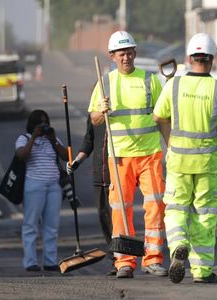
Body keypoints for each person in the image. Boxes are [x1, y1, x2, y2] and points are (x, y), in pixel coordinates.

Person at [153, 33, 217, 284]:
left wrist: (170, 141)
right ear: (212, 59)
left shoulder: (174, 85)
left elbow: (159, 117)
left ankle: (179, 244)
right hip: (206, 162)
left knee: (176, 209)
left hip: (178, 159)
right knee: (205, 215)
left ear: (189, 58)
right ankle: (201, 272)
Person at [88, 31, 167, 279]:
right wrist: (102, 110)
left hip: (149, 154)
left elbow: (163, 116)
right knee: (121, 210)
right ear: (112, 56)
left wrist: (171, 147)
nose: (126, 57)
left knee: (155, 206)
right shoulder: (105, 83)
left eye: (130, 52)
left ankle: (153, 259)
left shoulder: (150, 80)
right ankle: (125, 262)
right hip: (120, 156)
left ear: (135, 53)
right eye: (121, 53)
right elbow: (94, 119)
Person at [15, 110, 68, 272]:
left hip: (54, 186)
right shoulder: (23, 139)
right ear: (32, 125)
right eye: (40, 123)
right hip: (34, 185)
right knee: (31, 225)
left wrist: (53, 140)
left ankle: (50, 261)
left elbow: (67, 156)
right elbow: (21, 156)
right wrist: (33, 137)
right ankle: (30, 262)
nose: (43, 126)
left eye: (45, 122)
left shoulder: (53, 139)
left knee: (52, 226)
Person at [67, 114, 116, 275]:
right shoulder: (94, 116)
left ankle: (120, 259)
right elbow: (88, 141)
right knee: (104, 216)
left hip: (115, 172)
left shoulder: (116, 113)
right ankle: (115, 255)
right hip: (98, 172)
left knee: (117, 217)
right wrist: (77, 161)